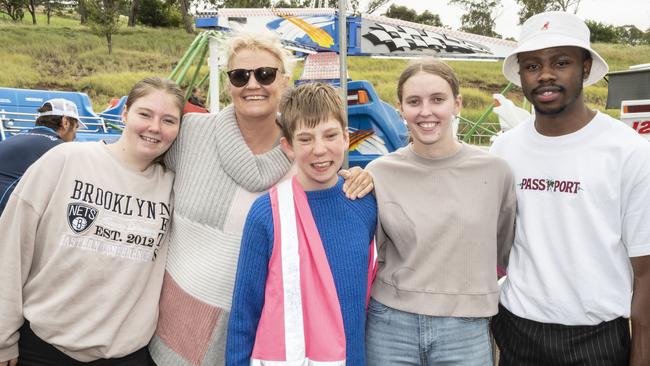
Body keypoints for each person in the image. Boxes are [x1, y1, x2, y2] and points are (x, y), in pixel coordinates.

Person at [149, 32, 373, 366]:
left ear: (284, 80)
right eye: (240, 76)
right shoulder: (191, 134)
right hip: (178, 324)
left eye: (265, 74)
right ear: (228, 85)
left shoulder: (304, 156)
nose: (253, 84)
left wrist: (366, 176)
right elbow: (139, 164)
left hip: (268, 336)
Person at [489, 11, 650, 366]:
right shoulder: (504, 150)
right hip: (517, 334)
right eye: (532, 65)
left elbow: (646, 272)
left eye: (561, 62)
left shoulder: (629, 152)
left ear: (586, 67)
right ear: (521, 75)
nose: (545, 75)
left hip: (596, 340)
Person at [0, 76, 184, 366]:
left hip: (124, 353)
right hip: (44, 348)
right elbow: (11, 246)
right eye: (144, 114)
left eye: (169, 120)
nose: (154, 127)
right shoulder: (65, 159)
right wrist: (3, 338)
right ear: (124, 114)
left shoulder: (172, 188)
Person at [364, 59, 516, 365]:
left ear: (456, 104)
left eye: (437, 99)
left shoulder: (495, 171)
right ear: (401, 108)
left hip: (465, 329)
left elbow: (503, 247)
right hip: (390, 327)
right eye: (414, 102)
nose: (426, 111)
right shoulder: (379, 172)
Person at [225, 82, 377, 365]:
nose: (320, 150)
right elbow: (245, 311)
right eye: (305, 139)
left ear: (346, 138)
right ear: (288, 146)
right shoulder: (266, 213)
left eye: (330, 135)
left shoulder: (365, 203)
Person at [0, 98, 81, 214]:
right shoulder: (61, 149)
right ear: (65, 122)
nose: (75, 135)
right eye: (76, 127)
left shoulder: (13, 139)